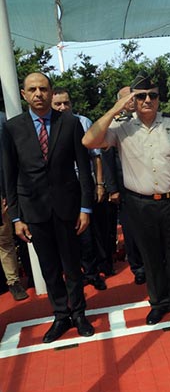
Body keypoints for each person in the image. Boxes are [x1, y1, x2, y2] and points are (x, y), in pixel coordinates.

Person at [83, 72, 170, 325]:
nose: (148, 100)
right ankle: (158, 302)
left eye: (152, 95)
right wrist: (116, 109)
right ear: (133, 100)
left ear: (159, 98)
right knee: (151, 254)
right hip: (140, 203)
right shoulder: (121, 127)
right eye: (141, 96)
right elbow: (88, 140)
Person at [3, 73, 94, 342]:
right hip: (33, 211)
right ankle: (60, 316)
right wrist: (16, 217)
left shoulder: (70, 123)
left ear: (51, 92)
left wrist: (85, 208)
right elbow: (9, 173)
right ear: (23, 94)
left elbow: (84, 169)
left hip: (67, 208)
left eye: (43, 89)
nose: (38, 94)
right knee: (49, 267)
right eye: (32, 89)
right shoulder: (12, 128)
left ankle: (79, 313)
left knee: (72, 264)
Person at [51, 88, 109, 291]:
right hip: (59, 191)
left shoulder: (82, 122)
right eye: (58, 104)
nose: (63, 107)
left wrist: (99, 184)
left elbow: (96, 156)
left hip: (83, 187)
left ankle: (93, 273)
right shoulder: (47, 127)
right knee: (65, 237)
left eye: (66, 103)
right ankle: (75, 275)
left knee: (88, 233)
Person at [101, 86, 145, 285]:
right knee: (131, 229)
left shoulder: (145, 120)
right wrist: (113, 189)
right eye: (126, 98)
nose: (131, 101)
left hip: (148, 184)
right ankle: (138, 267)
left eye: (134, 97)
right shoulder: (113, 125)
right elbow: (107, 159)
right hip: (125, 186)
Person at [0, 112, 29, 301]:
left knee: (6, 240)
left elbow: (7, 163)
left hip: (7, 194)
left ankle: (13, 281)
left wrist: (5, 195)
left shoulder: (4, 121)